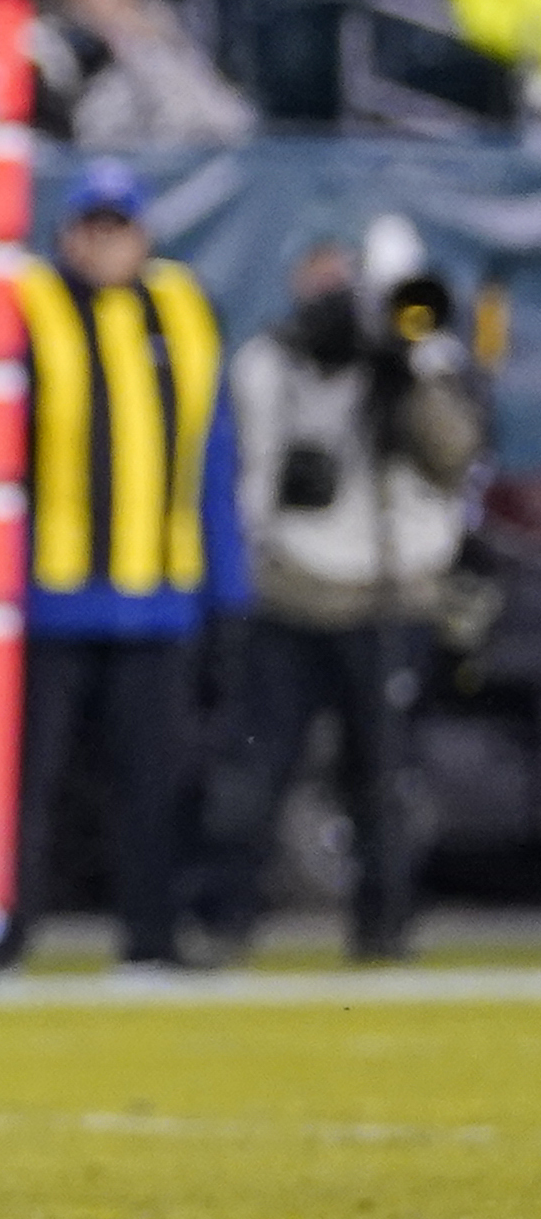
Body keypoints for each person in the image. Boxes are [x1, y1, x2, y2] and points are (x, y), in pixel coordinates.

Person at [0, 160, 246, 973]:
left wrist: (226, 587)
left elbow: (213, 455)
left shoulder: (182, 308)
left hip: (158, 592)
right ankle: (4, 930)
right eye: (90, 226)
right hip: (48, 592)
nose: (104, 242)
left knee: (155, 780)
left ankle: (153, 933)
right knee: (28, 781)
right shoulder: (27, 306)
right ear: (66, 233)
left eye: (118, 226)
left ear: (141, 233)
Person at [198, 246, 485, 962]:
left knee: (383, 776)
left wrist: (407, 370)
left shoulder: (422, 357)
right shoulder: (274, 358)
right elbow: (265, 475)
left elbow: (453, 455)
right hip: (295, 590)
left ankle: (383, 930)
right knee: (259, 765)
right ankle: (224, 921)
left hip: (390, 596)